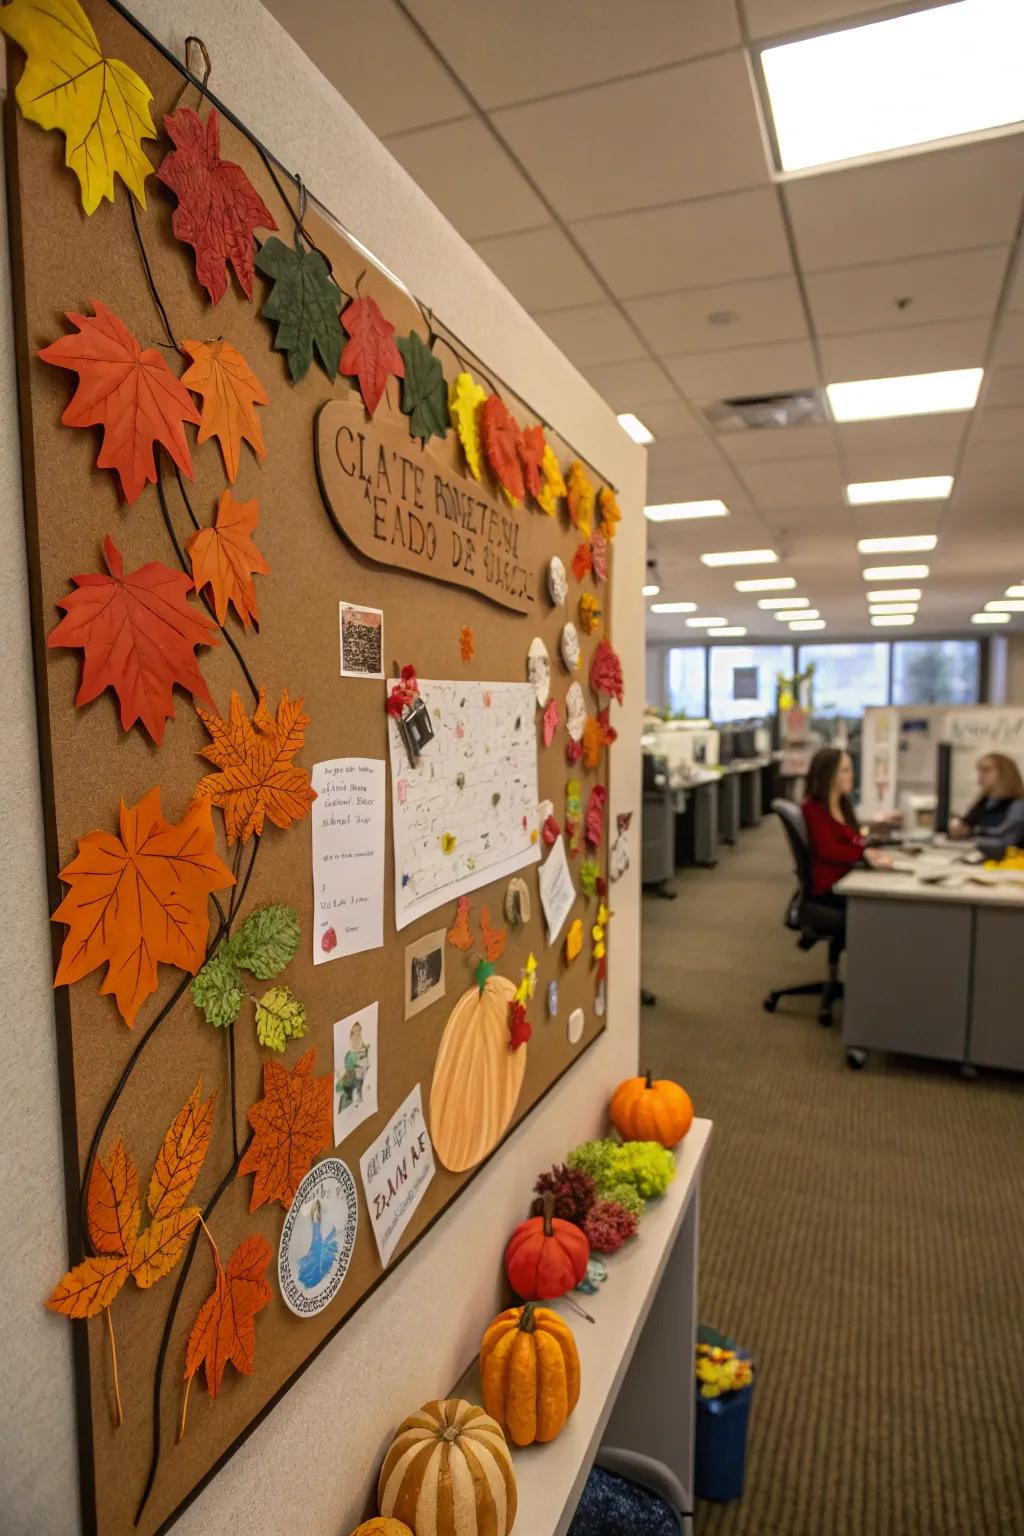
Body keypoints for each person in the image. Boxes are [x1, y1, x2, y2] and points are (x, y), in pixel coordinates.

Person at [802, 747, 892, 907]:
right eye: (845, 770)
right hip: (831, 888)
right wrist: (863, 854)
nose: (851, 775)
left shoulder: (843, 805)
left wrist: (869, 849)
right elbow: (828, 850)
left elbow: (853, 839)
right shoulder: (812, 808)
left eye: (850, 770)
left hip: (848, 878)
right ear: (828, 775)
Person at [947, 752, 1024, 858]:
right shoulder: (984, 801)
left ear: (1005, 774)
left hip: (1008, 864)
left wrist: (973, 834)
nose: (981, 775)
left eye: (987, 770)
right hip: (976, 857)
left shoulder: (1018, 804)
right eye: (979, 771)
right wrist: (960, 831)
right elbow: (967, 825)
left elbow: (1005, 841)